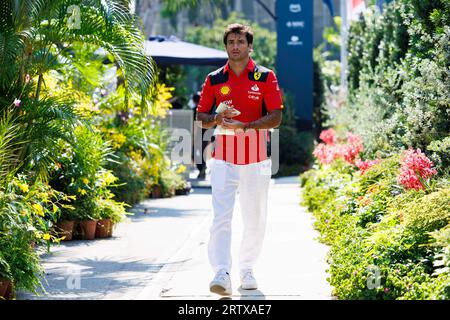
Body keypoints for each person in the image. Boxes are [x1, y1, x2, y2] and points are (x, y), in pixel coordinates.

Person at [196, 23, 283, 296]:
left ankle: (247, 269)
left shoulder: (265, 77)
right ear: (226, 46)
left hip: (256, 159)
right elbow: (200, 119)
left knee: (254, 218)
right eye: (231, 42)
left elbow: (276, 117)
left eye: (240, 42)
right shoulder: (214, 79)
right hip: (223, 159)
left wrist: (246, 126)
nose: (235, 46)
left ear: (249, 46)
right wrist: (216, 118)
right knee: (221, 217)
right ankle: (221, 271)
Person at [191, 92, 210, 179]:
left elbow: (193, 123)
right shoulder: (206, 109)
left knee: (195, 153)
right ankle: (202, 169)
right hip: (206, 133)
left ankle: (202, 168)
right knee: (202, 153)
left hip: (198, 134)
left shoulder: (195, 110)